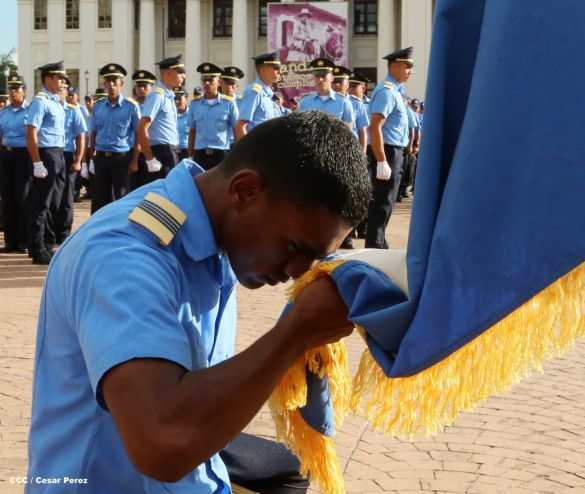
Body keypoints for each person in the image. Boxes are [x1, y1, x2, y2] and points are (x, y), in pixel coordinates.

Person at [26, 110, 371, 494]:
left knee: (290, 471)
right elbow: (164, 443)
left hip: (193, 474)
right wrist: (294, 335)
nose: (296, 273)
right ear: (244, 191)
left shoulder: (213, 233)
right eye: (294, 247)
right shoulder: (125, 256)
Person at [365, 47, 414, 249]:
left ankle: (379, 241)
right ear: (394, 66)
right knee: (382, 202)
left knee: (388, 201)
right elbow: (375, 125)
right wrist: (382, 160)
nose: (411, 71)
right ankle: (375, 246)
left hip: (395, 151)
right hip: (387, 150)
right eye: (408, 66)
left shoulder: (395, 91)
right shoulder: (387, 92)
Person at [25, 60, 67, 265]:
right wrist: (37, 162)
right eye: (59, 78)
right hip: (46, 154)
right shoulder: (40, 101)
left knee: (52, 203)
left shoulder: (55, 101)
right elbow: (31, 133)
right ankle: (36, 248)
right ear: (48, 79)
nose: (62, 81)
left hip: (57, 154)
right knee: (40, 204)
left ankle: (45, 244)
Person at [90, 63, 140, 214]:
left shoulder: (131, 106)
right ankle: (98, 232)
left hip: (121, 159)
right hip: (101, 159)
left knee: (122, 198)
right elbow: (93, 132)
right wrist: (92, 155)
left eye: (115, 81)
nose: (111, 85)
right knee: (99, 199)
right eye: (108, 81)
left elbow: (139, 135)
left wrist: (134, 161)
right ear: (104, 84)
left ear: (121, 83)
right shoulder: (97, 107)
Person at [136, 54, 185, 180]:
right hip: (161, 153)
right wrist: (150, 159)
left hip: (170, 152)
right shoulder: (157, 96)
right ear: (170, 72)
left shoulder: (169, 95)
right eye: (180, 72)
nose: (183, 76)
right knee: (162, 196)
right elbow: (142, 128)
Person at [52, 84, 86, 243]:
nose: (60, 93)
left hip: (67, 155)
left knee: (66, 196)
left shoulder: (73, 111)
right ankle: (51, 231)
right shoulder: (49, 108)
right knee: (52, 195)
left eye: (63, 90)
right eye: (58, 90)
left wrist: (79, 160)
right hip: (52, 154)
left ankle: (63, 233)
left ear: (67, 93)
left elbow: (81, 137)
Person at [187, 62, 238, 170]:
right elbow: (192, 131)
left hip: (221, 155)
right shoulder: (194, 104)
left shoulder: (228, 103)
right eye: (204, 80)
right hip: (200, 155)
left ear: (219, 82)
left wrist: (237, 156)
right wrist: (190, 156)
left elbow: (236, 130)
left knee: (221, 186)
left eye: (211, 80)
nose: (207, 83)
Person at [0, 74, 29, 253]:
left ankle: (24, 241)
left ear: (24, 92)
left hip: (23, 156)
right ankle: (10, 242)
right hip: (6, 156)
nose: (12, 91)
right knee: (7, 199)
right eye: (10, 88)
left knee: (23, 199)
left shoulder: (30, 111)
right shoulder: (3, 113)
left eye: (16, 88)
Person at [235, 52, 281, 142]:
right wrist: (246, 152)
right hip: (257, 149)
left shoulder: (269, 94)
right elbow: (241, 125)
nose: (280, 72)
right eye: (276, 68)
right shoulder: (254, 91)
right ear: (264, 71)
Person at [298, 58, 354, 130]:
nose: (320, 79)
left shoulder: (343, 102)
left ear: (332, 78)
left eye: (323, 76)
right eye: (317, 76)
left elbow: (348, 130)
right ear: (313, 78)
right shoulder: (305, 102)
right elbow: (300, 128)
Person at [129, 69, 157, 191]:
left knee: (149, 187)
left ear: (151, 86)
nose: (141, 89)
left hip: (149, 151)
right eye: (138, 86)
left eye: (144, 86)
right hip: (133, 152)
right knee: (132, 188)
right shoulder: (129, 106)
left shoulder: (155, 105)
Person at [174, 85, 190, 161]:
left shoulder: (191, 114)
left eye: (179, 98)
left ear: (186, 98)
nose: (176, 101)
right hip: (173, 152)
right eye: (175, 98)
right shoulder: (170, 115)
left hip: (187, 152)